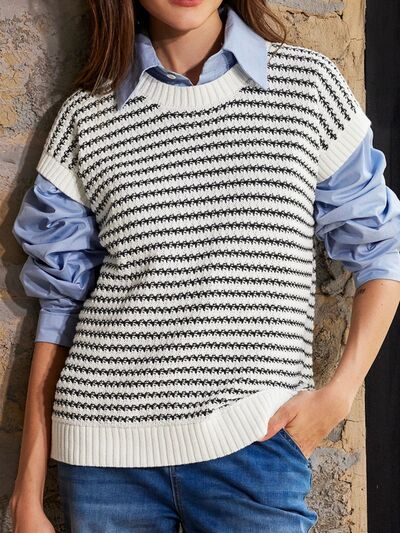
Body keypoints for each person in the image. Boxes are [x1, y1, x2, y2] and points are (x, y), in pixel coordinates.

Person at [9, 1, 400, 531]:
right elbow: (58, 306)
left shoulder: (307, 88)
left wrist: (339, 394)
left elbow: (381, 249)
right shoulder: (86, 117)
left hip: (255, 444)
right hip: (105, 457)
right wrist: (27, 496)